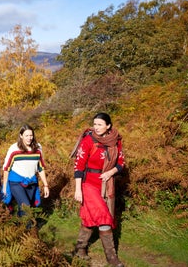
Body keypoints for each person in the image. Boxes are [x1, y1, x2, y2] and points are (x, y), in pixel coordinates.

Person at [71, 112, 124, 267]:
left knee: (89, 218)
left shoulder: (116, 141)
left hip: (107, 184)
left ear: (108, 126)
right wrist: (78, 190)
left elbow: (121, 163)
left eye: (100, 124)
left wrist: (110, 172)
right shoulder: (88, 140)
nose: (96, 127)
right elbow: (78, 167)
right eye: (94, 124)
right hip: (88, 185)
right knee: (104, 218)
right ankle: (111, 257)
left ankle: (80, 249)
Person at [2, 124, 49, 225]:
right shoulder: (14, 149)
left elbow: (40, 168)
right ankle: (30, 231)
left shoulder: (38, 148)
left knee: (27, 206)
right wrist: (5, 187)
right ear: (21, 135)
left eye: (31, 135)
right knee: (26, 207)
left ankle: (19, 228)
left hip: (31, 182)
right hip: (16, 182)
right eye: (26, 135)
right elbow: (6, 168)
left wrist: (45, 185)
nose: (29, 138)